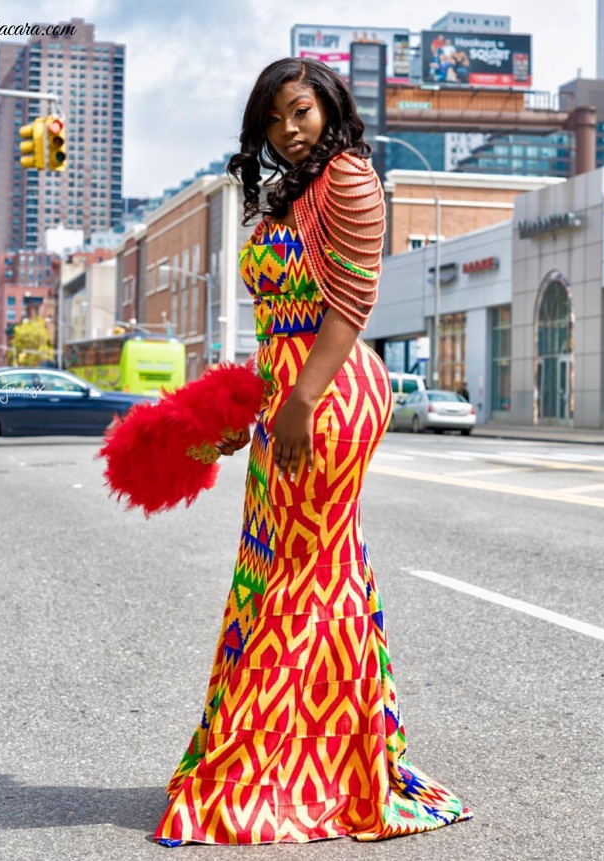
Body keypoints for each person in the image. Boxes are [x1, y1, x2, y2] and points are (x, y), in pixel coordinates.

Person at [153, 57, 472, 846]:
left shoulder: (351, 178)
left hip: (327, 392)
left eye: (298, 112)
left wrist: (298, 402)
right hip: (286, 392)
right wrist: (247, 411)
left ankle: (285, 771)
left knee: (305, 572)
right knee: (279, 570)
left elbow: (352, 301)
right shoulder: (287, 193)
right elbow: (273, 327)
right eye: (272, 120)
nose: (287, 130)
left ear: (328, 106)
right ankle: (322, 762)